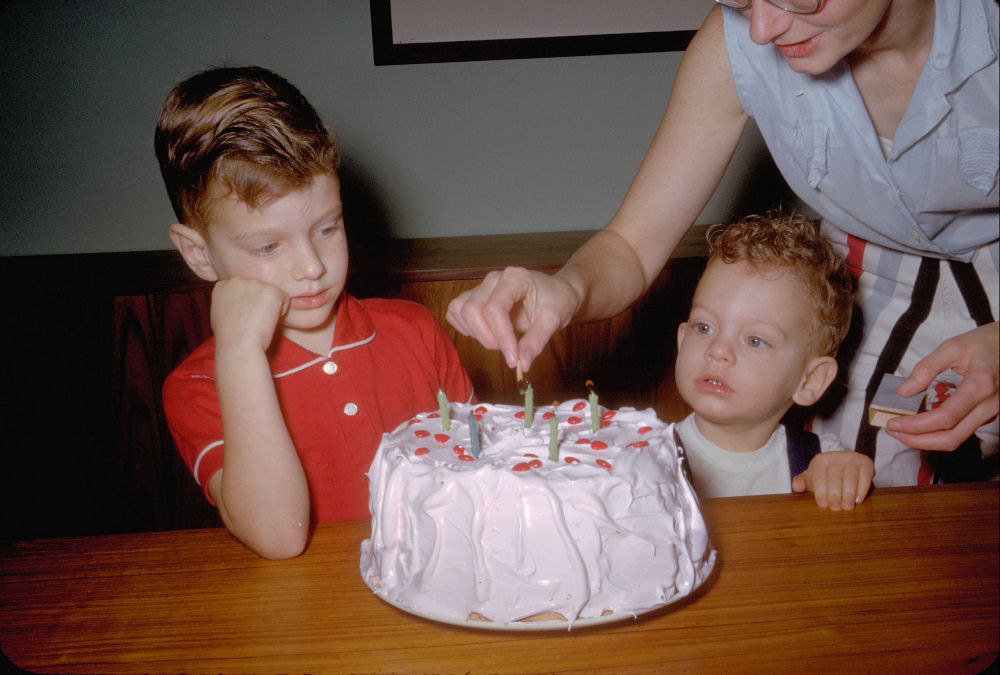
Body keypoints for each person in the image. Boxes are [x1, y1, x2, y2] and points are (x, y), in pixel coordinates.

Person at [447, 0, 998, 486]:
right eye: (737, 0)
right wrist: (568, 288)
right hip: (866, 269)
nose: (762, 29)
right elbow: (634, 245)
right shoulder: (737, 42)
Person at [155, 66, 474, 559]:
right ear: (199, 255)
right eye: (267, 247)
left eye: (327, 228)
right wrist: (240, 354)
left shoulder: (414, 331)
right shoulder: (198, 388)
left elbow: (478, 480)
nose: (311, 266)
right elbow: (277, 537)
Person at [673, 212, 874, 509]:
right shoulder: (646, 455)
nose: (717, 350)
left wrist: (845, 480)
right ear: (682, 339)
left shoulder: (818, 464)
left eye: (755, 340)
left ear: (810, 380)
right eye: (704, 328)